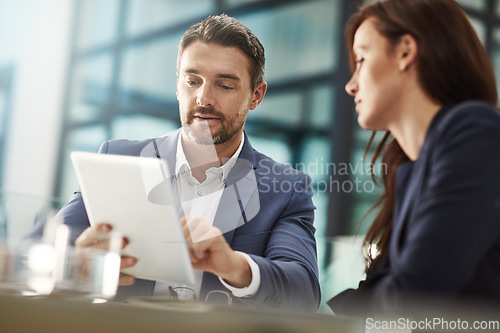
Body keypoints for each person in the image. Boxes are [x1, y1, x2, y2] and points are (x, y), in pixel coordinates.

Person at [30, 14, 320, 311]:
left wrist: (236, 267)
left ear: (255, 95)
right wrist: (79, 258)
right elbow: (37, 247)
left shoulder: (286, 188)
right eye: (192, 81)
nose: (203, 98)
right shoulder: (117, 158)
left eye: (224, 85)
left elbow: (304, 291)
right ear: (178, 85)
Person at [328, 0, 500, 317]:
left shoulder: (475, 131)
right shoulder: (412, 168)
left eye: (362, 59)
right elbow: (381, 289)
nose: (351, 85)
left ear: (406, 51)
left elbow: (413, 296)